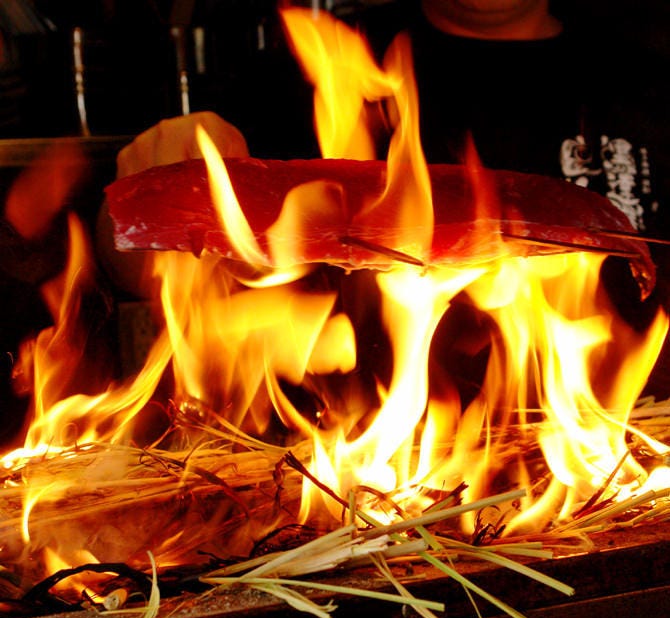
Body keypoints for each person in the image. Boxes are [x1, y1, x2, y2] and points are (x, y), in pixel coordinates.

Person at [97, 0, 670, 391]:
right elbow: (133, 268)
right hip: (352, 473)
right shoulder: (321, 64)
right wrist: (147, 193)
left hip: (612, 452)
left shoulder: (644, 76)